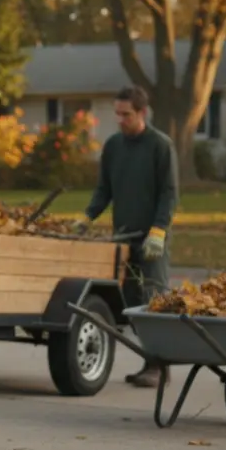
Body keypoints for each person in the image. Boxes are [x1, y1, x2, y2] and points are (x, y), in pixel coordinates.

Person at [79, 85, 179, 389]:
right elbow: (104, 190)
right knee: (131, 302)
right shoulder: (113, 147)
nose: (120, 120)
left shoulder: (160, 146)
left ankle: (160, 368)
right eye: (117, 114)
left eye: (126, 114)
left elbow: (169, 193)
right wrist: (87, 217)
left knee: (154, 300)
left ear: (142, 113)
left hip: (152, 240)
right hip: (123, 238)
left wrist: (159, 230)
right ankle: (149, 362)